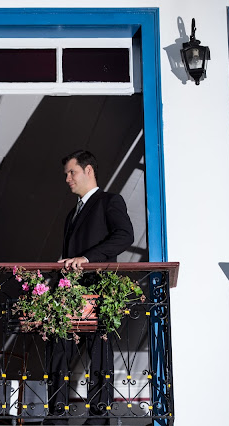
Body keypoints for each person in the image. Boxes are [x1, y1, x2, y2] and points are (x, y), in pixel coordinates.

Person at [46, 150, 134, 425]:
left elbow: (125, 236)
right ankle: (57, 414)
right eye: (66, 174)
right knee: (60, 349)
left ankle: (98, 416)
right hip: (70, 294)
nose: (67, 179)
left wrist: (86, 258)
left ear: (89, 171)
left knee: (99, 353)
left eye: (71, 172)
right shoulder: (71, 214)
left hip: (98, 291)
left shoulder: (110, 201)